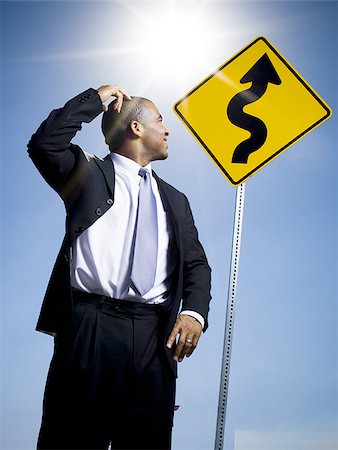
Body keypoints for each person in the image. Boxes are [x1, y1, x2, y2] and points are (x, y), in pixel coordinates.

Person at [27, 84, 212, 450]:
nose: (168, 128)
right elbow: (45, 144)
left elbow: (196, 265)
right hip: (88, 328)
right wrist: (94, 99)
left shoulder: (176, 200)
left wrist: (193, 313)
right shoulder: (86, 173)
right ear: (136, 128)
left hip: (153, 338)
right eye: (160, 119)